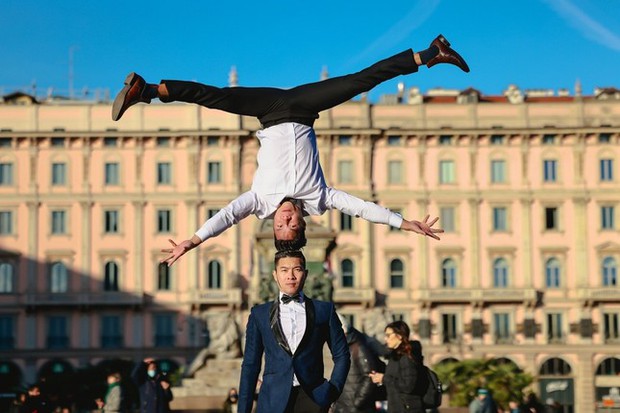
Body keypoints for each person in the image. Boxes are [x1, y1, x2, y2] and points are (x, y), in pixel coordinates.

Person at [112, 35, 469, 263]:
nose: (285, 218)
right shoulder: (319, 199)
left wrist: (192, 241)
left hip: (268, 112)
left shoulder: (258, 202)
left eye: (280, 225)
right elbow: (361, 208)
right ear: (302, 224)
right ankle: (432, 52)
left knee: (216, 97)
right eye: (291, 224)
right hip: (303, 108)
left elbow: (226, 216)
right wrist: (403, 223)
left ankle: (147, 91)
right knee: (361, 81)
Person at [237, 250, 350, 413]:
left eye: (297, 269)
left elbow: (342, 355)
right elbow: (250, 365)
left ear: (305, 273)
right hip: (272, 402)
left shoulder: (324, 310)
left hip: (313, 400)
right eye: (284, 270)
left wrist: (332, 391)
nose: (291, 276)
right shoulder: (259, 314)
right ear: (275, 275)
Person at [368, 321, 428, 413]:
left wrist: (384, 378)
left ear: (399, 336)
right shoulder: (395, 357)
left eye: (388, 335)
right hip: (398, 407)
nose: (385, 339)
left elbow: (408, 386)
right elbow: (393, 384)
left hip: (408, 409)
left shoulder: (407, 357)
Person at [332, 314, 385, 413]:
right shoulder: (343, 349)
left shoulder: (358, 347)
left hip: (355, 408)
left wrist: (358, 402)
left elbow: (370, 376)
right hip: (342, 406)